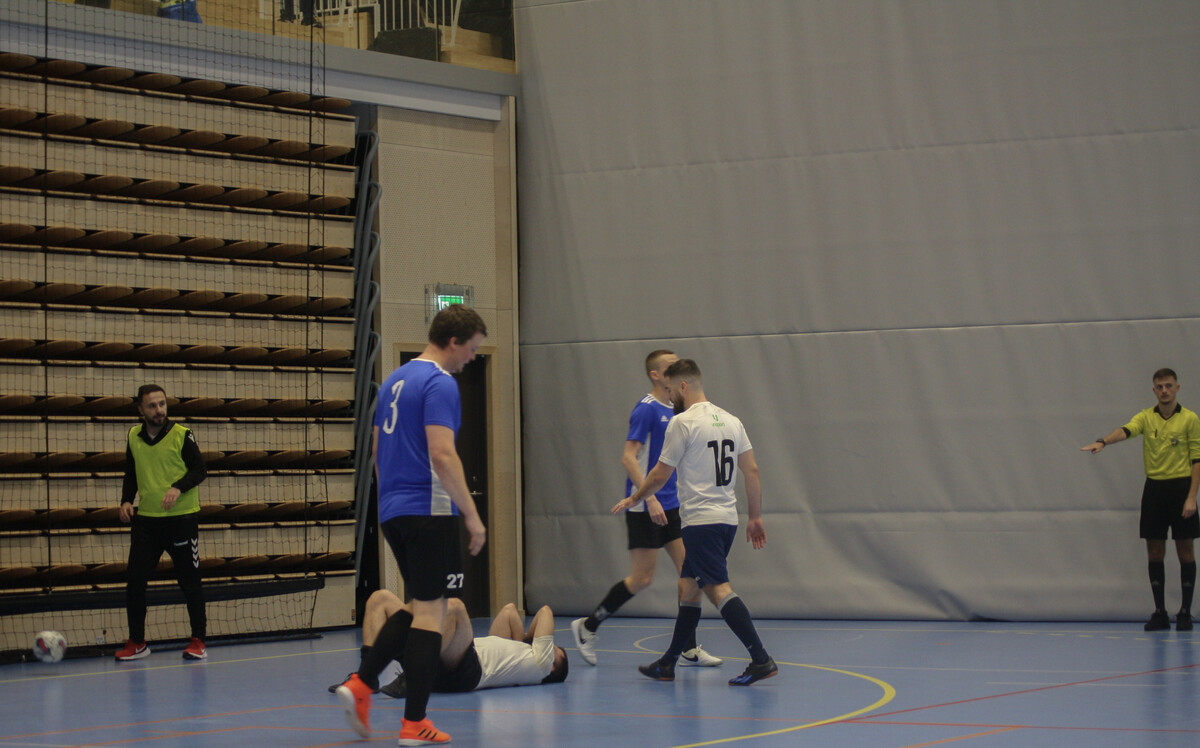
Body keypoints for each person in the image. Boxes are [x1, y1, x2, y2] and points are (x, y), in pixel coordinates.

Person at [336, 304, 488, 746]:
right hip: (429, 508)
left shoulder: (393, 381)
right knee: (432, 613)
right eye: (472, 348)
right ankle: (412, 722)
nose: (472, 358)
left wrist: (391, 501)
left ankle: (362, 682)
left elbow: (376, 452)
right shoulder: (440, 382)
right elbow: (442, 453)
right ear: (454, 342)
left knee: (422, 603)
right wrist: (471, 514)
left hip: (393, 508)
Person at [612, 359, 777, 686]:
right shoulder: (731, 420)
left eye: (671, 391)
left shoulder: (683, 423)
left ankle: (761, 658)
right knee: (688, 587)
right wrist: (755, 516)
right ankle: (668, 663)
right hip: (726, 519)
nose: (669, 397)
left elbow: (659, 475)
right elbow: (752, 471)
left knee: (717, 589)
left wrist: (636, 497)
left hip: (701, 521)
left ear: (683, 386)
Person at [571, 350, 721, 668]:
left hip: (674, 506)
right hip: (645, 508)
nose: (677, 367)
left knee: (691, 575)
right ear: (656, 374)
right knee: (642, 579)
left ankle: (688, 647)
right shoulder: (647, 409)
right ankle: (588, 626)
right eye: (670, 365)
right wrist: (648, 497)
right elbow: (629, 457)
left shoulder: (679, 409)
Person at [1081, 367, 1200, 632]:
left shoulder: (1190, 419)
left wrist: (1192, 497)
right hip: (1155, 490)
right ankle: (1160, 612)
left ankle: (1185, 612)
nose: (1164, 391)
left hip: (1181, 488)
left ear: (1177, 388)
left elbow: (1197, 459)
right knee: (1155, 551)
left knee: (1185, 551)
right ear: (1154, 390)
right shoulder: (1146, 417)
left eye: (1169, 386)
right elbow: (1126, 430)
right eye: (1160, 387)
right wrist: (1103, 441)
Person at [115, 384, 208, 661]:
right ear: (141, 410)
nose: (159, 410)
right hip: (147, 522)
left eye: (162, 404)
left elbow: (200, 470)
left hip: (181, 520)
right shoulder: (134, 436)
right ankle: (137, 642)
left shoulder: (182, 434)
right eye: (152, 405)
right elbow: (131, 471)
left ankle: (198, 641)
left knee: (190, 582)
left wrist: (178, 487)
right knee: (135, 583)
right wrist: (126, 500)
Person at [332, 590, 568, 698]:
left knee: (454, 607)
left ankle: (414, 674)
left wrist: (532, 639)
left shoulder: (542, 666)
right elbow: (509, 611)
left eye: (556, 649)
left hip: (466, 673)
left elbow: (545, 611)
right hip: (446, 655)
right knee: (380, 599)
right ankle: (366, 678)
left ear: (554, 665)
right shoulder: (520, 655)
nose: (552, 645)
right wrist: (525, 640)